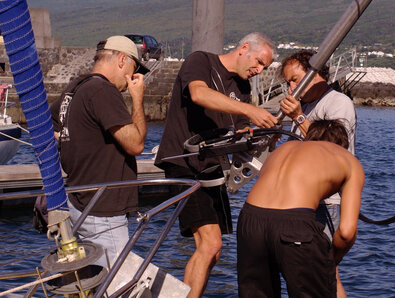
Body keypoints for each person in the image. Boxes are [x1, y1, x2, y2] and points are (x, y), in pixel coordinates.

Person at [155, 32, 278, 297]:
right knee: (209, 244)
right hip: (184, 161)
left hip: (213, 167)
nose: (259, 71)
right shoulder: (201, 61)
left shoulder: (242, 88)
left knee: (214, 248)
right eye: (258, 62)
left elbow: (240, 131)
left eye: (264, 68)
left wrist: (261, 135)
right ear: (244, 48)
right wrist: (250, 111)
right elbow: (199, 94)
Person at [236, 119, 365, 297]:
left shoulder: (281, 151)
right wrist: (331, 260)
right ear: (342, 144)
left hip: (250, 219)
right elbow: (346, 232)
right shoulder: (348, 160)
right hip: (295, 225)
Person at [50, 35, 148, 267]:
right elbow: (136, 144)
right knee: (116, 280)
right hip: (102, 209)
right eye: (134, 68)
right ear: (122, 60)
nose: (132, 78)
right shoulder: (102, 90)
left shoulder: (75, 89)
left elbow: (48, 125)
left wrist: (74, 140)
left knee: (94, 277)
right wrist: (137, 99)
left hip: (79, 200)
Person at [279, 49, 357, 297]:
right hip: (304, 199)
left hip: (327, 200)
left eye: (294, 79)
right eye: (287, 82)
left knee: (322, 271)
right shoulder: (305, 104)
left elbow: (332, 151)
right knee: (325, 273)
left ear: (314, 75)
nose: (290, 87)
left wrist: (298, 116)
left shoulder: (338, 103)